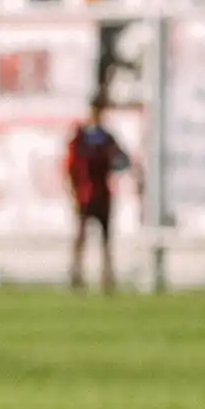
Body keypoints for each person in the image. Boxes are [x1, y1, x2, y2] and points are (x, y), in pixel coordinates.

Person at [65, 96, 129, 292]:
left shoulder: (106, 138)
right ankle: (77, 275)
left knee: (105, 240)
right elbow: (71, 166)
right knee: (81, 236)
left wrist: (115, 162)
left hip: (102, 195)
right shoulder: (81, 137)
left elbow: (122, 159)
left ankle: (107, 277)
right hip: (85, 194)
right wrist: (72, 190)